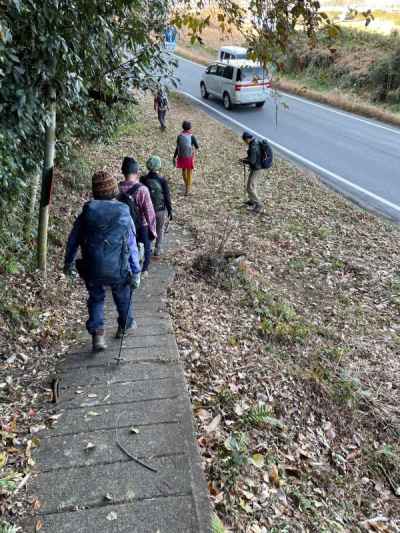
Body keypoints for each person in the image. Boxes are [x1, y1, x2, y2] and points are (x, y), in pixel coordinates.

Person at [64, 171, 141, 352]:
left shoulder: (87, 212)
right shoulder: (123, 212)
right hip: (119, 267)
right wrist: (136, 271)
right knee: (123, 296)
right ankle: (125, 325)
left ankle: (98, 335)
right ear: (114, 191)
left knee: (96, 298)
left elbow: (73, 239)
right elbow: (131, 244)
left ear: (95, 192)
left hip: (92, 266)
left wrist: (68, 263)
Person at [118, 157, 157, 277]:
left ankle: (126, 268)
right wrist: (153, 230)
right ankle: (143, 270)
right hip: (141, 225)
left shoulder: (117, 188)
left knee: (126, 247)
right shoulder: (142, 190)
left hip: (123, 225)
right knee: (146, 247)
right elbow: (149, 212)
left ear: (123, 172)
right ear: (137, 172)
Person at [141, 155, 172, 258]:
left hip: (147, 210)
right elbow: (167, 196)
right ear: (159, 167)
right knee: (159, 229)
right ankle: (158, 250)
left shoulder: (143, 179)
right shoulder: (162, 180)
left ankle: (148, 248)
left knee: (148, 229)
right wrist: (170, 211)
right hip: (160, 210)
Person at [173, 120, 199, 196]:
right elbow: (197, 146)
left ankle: (186, 183)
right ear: (190, 128)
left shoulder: (179, 136)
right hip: (189, 157)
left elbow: (177, 148)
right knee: (190, 172)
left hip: (181, 157)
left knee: (184, 170)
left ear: (183, 127)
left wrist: (174, 157)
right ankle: (188, 188)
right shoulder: (192, 136)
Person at [241, 131, 263, 213]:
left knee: (250, 187)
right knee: (251, 186)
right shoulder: (254, 143)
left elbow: (252, 160)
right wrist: (245, 159)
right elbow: (252, 157)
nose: (245, 142)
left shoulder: (253, 146)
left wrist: (245, 161)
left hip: (256, 169)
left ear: (247, 139)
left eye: (245, 140)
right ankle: (252, 201)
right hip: (256, 167)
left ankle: (258, 204)